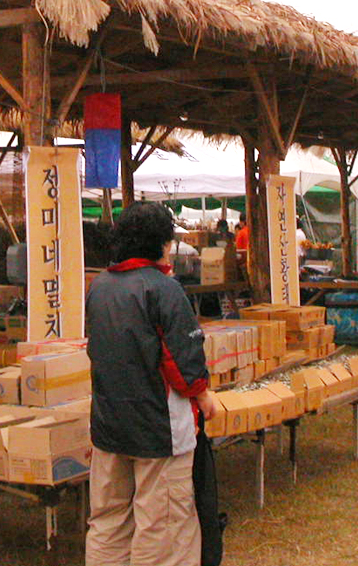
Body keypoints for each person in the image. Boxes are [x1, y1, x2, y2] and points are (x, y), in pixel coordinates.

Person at [85, 201, 218, 566]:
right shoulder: (164, 289)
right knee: (162, 525)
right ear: (162, 242)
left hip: (108, 423)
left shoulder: (100, 287)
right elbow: (181, 359)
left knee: (108, 521)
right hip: (157, 427)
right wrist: (203, 393)